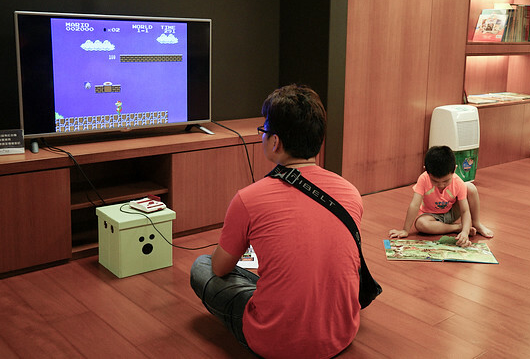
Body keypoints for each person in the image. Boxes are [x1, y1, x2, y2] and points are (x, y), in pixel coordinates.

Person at [190, 84, 363, 359]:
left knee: (202, 266)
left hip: (274, 344)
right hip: (342, 334)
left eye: (264, 130)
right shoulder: (350, 192)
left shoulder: (248, 198)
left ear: (275, 142)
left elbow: (220, 268)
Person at [388, 145, 494, 246]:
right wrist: (405, 230)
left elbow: (464, 211)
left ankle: (476, 224)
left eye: (446, 181)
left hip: (452, 212)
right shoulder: (423, 179)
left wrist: (465, 233)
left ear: (454, 169)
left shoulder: (458, 182)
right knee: (421, 224)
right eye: (435, 181)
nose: (441, 185)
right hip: (431, 215)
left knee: (471, 188)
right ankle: (457, 227)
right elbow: (414, 205)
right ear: (426, 171)